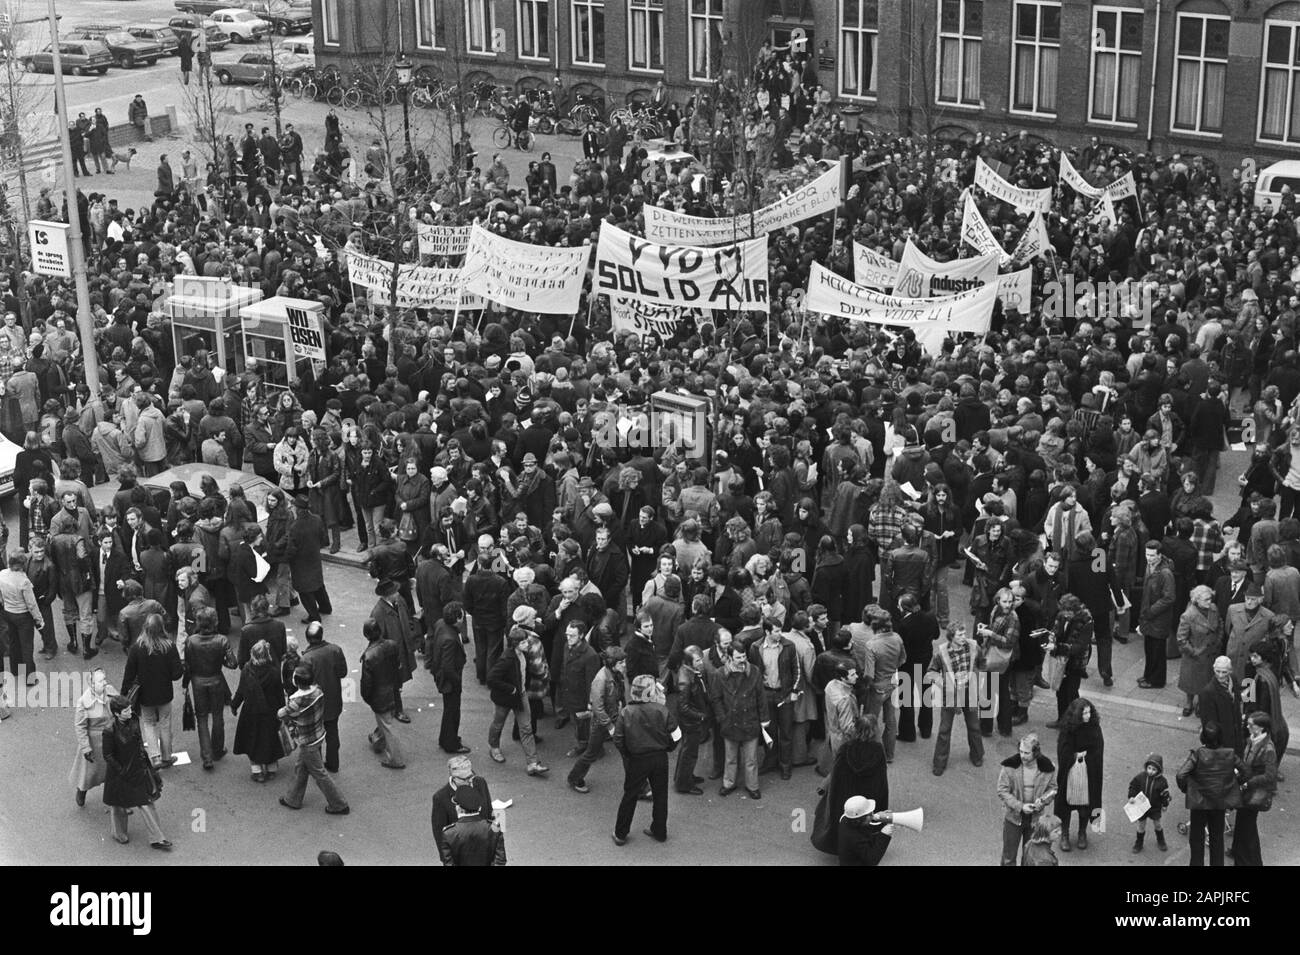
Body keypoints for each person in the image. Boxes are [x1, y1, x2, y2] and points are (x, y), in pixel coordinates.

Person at [610, 674, 681, 846]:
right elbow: (677, 735)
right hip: (659, 758)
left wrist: (629, 753)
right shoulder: (661, 710)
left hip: (637, 759)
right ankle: (659, 831)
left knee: (630, 796)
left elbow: (618, 739)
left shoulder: (626, 712)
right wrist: (667, 748)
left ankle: (621, 833)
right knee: (660, 795)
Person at [811, 714, 889, 856]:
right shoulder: (878, 751)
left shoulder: (845, 748)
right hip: (868, 797)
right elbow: (881, 782)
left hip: (845, 795)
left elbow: (836, 777)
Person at [277, 664, 350, 815]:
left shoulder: (297, 701)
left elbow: (281, 714)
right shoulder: (318, 691)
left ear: (296, 682)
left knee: (319, 773)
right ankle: (293, 798)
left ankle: (339, 804)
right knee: (301, 768)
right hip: (318, 734)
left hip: (306, 739)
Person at [102, 695, 171, 850]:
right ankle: (119, 834)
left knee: (146, 802)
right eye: (126, 710)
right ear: (117, 713)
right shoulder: (109, 730)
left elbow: (139, 742)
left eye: (129, 708)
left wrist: (145, 763)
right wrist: (121, 771)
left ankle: (157, 838)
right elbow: (108, 755)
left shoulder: (133, 719)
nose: (130, 711)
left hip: (137, 768)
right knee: (118, 806)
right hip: (120, 773)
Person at [1176, 721, 1244, 867]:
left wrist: (1188, 789)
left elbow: (1181, 775)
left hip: (1199, 803)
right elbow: (1246, 771)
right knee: (1217, 839)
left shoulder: (1198, 754)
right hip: (1219, 803)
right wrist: (1232, 784)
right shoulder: (1230, 754)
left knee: (1196, 840)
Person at [120, 613, 182, 768]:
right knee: (165, 723)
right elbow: (177, 675)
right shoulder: (169, 647)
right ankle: (167, 756)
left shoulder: (136, 648)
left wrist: (123, 695)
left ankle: (155, 758)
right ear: (161, 628)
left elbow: (129, 674)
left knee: (148, 723)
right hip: (164, 693)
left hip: (145, 696)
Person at [486, 626, 549, 776]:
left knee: (526, 728)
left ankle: (532, 763)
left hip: (520, 696)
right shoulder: (506, 659)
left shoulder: (523, 654)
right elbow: (491, 678)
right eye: (524, 643)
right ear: (515, 644)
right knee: (498, 723)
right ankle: (494, 747)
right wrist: (511, 689)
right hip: (505, 698)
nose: (527, 644)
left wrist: (521, 689)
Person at [710, 641, 768, 799]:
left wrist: (764, 718)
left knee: (751, 759)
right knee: (731, 758)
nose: (742, 660)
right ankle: (728, 783)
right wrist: (722, 717)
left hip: (750, 720)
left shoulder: (754, 671)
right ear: (729, 657)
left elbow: (761, 697)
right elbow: (716, 699)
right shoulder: (720, 674)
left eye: (744, 656)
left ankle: (752, 786)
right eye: (738, 657)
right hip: (731, 721)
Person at [181, 606, 237, 770]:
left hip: (198, 682)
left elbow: (188, 666)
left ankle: (206, 757)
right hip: (216, 680)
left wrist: (185, 684)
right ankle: (217, 750)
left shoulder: (191, 641)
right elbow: (233, 664)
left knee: (202, 718)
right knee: (218, 716)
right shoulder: (221, 640)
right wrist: (221, 661)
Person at [568, 646, 626, 793]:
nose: (624, 664)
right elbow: (598, 708)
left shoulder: (615, 674)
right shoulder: (601, 679)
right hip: (602, 723)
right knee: (591, 754)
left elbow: (618, 696)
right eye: (621, 662)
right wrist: (610, 726)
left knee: (628, 752)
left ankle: (640, 787)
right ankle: (574, 778)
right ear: (612, 663)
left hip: (614, 718)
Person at [928, 624, 984, 775]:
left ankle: (977, 756)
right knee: (944, 730)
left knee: (974, 726)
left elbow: (982, 663)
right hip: (951, 695)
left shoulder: (973, 647)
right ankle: (939, 764)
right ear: (951, 637)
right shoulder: (941, 653)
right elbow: (931, 673)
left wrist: (977, 677)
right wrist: (945, 683)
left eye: (964, 634)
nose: (964, 637)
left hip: (970, 692)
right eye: (960, 635)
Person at [996, 733, 1058, 866]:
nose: (1022, 756)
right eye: (1021, 751)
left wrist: (1042, 802)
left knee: (1030, 857)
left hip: (1035, 820)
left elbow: (1053, 789)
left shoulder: (1048, 768)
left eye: (1026, 753)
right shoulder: (1009, 766)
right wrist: (1020, 806)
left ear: (1035, 753)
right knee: (1008, 857)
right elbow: (1002, 790)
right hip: (1013, 818)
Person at [230, 639, 286, 783]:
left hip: (251, 710)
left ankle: (257, 771)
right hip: (271, 711)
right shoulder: (273, 672)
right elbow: (279, 694)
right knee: (270, 739)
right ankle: (272, 768)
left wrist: (234, 705)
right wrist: (283, 711)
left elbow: (241, 691)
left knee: (252, 740)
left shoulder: (247, 671)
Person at [1054, 698, 1104, 853]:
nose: (1088, 716)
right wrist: (1076, 755)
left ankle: (1082, 833)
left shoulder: (1094, 727)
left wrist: (1087, 758)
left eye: (1089, 712)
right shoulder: (1068, 729)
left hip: (1088, 772)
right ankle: (1065, 834)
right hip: (1070, 772)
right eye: (1084, 713)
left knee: (1086, 805)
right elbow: (1063, 751)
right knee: (1065, 805)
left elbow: (1098, 749)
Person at [1230, 711, 1278, 866]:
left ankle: (1250, 861)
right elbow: (1247, 762)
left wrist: (1248, 783)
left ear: (1262, 728)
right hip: (1246, 789)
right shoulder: (1252, 740)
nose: (1248, 726)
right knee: (1243, 824)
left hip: (1253, 792)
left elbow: (1270, 776)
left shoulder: (1268, 749)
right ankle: (1238, 854)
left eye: (1252, 725)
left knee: (1247, 828)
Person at [299, 620, 347, 773]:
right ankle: (333, 763)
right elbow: (343, 673)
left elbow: (301, 683)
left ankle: (317, 766)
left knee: (316, 736)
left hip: (315, 704)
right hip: (333, 700)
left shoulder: (307, 658)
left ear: (307, 638)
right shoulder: (335, 650)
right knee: (332, 732)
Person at [431, 755, 495, 865]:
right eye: (464, 779)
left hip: (485, 851)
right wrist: (446, 860)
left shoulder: (480, 782)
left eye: (470, 776)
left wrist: (498, 843)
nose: (469, 782)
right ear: (453, 776)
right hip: (461, 855)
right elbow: (439, 833)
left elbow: (490, 812)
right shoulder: (441, 798)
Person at [360, 617, 405, 769]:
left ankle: (396, 759)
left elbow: (366, 683)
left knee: (387, 725)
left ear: (366, 635)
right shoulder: (392, 645)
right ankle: (378, 742)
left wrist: (367, 697)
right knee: (386, 721)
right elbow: (398, 666)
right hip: (392, 689)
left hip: (379, 695)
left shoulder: (369, 656)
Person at [70, 667, 118, 807]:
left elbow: (120, 706)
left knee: (115, 771)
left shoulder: (110, 691)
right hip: (95, 743)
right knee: (89, 773)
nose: (105, 682)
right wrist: (86, 748)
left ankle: (118, 803)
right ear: (92, 684)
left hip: (112, 738)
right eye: (101, 680)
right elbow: (80, 726)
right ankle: (82, 790)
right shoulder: (83, 702)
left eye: (104, 679)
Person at [428, 601, 471, 754]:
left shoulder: (441, 624)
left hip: (443, 675)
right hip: (450, 681)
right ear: (458, 618)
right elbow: (448, 667)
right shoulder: (450, 639)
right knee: (452, 712)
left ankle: (445, 738)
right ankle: (451, 743)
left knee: (449, 710)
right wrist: (457, 683)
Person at [1137, 540, 1177, 689]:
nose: (1149, 558)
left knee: (1157, 652)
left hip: (1159, 619)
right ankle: (1148, 675)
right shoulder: (1149, 566)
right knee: (1149, 648)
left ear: (1160, 555)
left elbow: (1169, 597)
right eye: (1147, 555)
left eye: (1152, 555)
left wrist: (1150, 611)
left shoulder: (1166, 573)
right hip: (1149, 617)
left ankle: (1156, 680)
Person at [1176, 584, 1221, 718]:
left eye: (1210, 599)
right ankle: (1189, 703)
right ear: (1197, 600)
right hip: (1195, 656)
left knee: (1206, 682)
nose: (1210, 602)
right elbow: (1181, 639)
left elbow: (1220, 625)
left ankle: (1202, 703)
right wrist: (1193, 652)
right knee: (1191, 682)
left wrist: (1218, 641)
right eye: (1206, 600)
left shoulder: (1213, 609)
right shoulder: (1188, 615)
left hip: (1211, 653)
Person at [0, 550, 43, 687]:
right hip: (23, 616)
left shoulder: (2, 575)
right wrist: (39, 619)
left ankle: (16, 669)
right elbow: (31, 604)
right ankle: (30, 678)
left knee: (13, 642)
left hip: (8, 612)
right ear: (22, 564)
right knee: (26, 646)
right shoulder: (24, 581)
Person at [286, 494, 332, 623]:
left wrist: (286, 558)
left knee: (305, 591)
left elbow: (291, 549)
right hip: (314, 558)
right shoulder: (317, 519)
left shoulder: (295, 527)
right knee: (318, 585)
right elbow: (324, 539)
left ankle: (314, 616)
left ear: (297, 509)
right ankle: (325, 607)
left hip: (300, 563)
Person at [441, 785, 507, 866]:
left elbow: (449, 864)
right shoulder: (494, 828)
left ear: (458, 808)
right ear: (479, 808)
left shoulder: (448, 833)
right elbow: (500, 861)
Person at [1127, 753, 1171, 853]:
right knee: (1141, 826)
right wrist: (1131, 796)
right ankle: (1139, 843)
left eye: (1154, 769)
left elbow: (1165, 794)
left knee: (1157, 824)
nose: (1150, 771)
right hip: (1141, 807)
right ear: (1146, 767)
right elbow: (1133, 786)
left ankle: (1161, 840)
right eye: (1149, 768)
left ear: (1159, 770)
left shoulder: (1162, 781)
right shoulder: (1140, 777)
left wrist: (1165, 805)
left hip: (1155, 807)